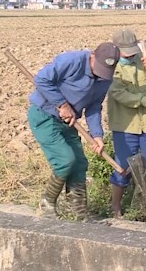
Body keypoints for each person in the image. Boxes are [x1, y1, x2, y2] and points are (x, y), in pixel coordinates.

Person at [28, 42, 120, 219]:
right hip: (45, 116)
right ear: (92, 56)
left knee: (79, 163)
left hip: (69, 122)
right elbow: (41, 79)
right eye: (98, 68)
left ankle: (79, 214)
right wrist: (62, 104)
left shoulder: (105, 79)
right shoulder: (71, 61)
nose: (99, 74)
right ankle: (46, 205)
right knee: (65, 160)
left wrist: (97, 136)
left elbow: (94, 107)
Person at [108, 29, 146, 218]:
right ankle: (115, 207)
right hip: (126, 126)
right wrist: (144, 101)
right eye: (126, 52)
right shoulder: (110, 65)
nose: (130, 55)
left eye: (132, 51)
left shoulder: (143, 58)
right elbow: (118, 93)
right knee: (122, 168)